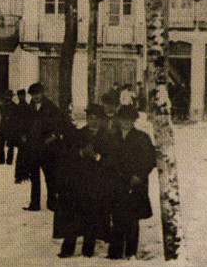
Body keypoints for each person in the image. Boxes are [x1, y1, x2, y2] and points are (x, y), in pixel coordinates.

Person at [57, 105, 114, 258]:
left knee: (92, 216)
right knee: (74, 215)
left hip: (96, 183)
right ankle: (68, 248)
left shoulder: (107, 137)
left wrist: (96, 156)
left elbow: (111, 160)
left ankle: (88, 249)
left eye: (96, 119)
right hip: (79, 182)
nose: (92, 122)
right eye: (90, 118)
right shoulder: (79, 134)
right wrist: (81, 152)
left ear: (101, 120)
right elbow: (68, 154)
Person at [102, 105, 156, 259]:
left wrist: (140, 175)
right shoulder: (111, 137)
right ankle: (115, 252)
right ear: (118, 120)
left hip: (134, 183)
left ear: (134, 120)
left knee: (132, 219)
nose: (125, 122)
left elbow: (150, 160)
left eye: (129, 119)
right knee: (117, 218)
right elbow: (106, 158)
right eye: (123, 119)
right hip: (116, 183)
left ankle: (131, 253)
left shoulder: (142, 138)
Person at [16, 82, 70, 212]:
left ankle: (52, 202)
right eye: (33, 94)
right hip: (33, 148)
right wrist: (23, 135)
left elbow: (61, 124)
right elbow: (23, 125)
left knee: (50, 176)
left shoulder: (51, 107)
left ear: (43, 93)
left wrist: (53, 136)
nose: (36, 97)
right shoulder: (29, 109)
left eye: (38, 94)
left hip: (47, 148)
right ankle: (34, 204)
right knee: (34, 177)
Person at [0, 89, 24, 166]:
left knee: (10, 145)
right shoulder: (2, 106)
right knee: (0, 145)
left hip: (10, 128)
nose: (8, 97)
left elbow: (17, 118)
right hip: (3, 128)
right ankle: (1, 161)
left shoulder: (15, 107)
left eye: (9, 96)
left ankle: (9, 161)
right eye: (7, 96)